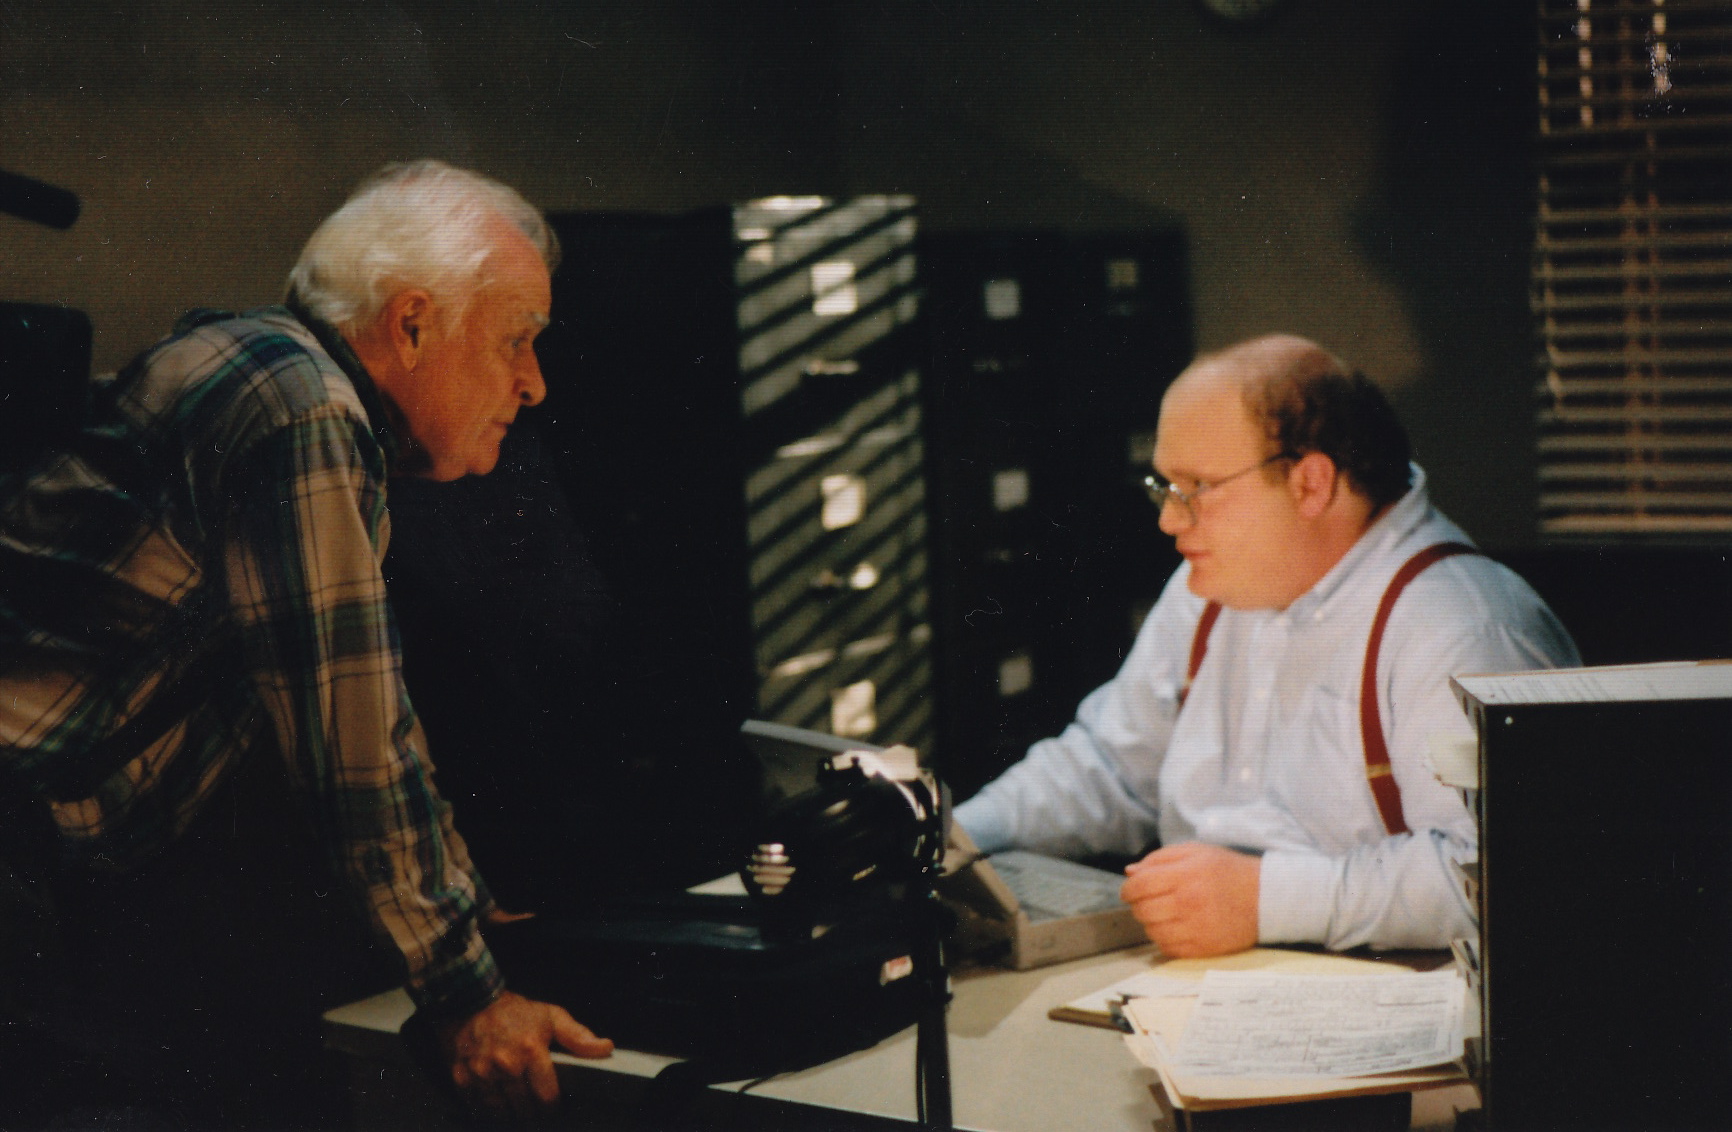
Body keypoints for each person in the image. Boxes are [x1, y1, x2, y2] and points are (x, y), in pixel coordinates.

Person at [0, 160, 612, 1128]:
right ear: (411, 323)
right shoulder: (304, 408)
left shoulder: (276, 373)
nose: (531, 384)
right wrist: (469, 992)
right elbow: (355, 753)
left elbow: (379, 713)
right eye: (516, 341)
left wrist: (466, 904)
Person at [953, 334, 1579, 958]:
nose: (1170, 521)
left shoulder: (1464, 628)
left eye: (1195, 488)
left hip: (1390, 998)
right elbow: (1114, 769)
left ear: (1310, 485)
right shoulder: (1212, 589)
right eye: (1164, 487)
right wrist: (953, 837)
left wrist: (1263, 900)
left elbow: (1500, 875)